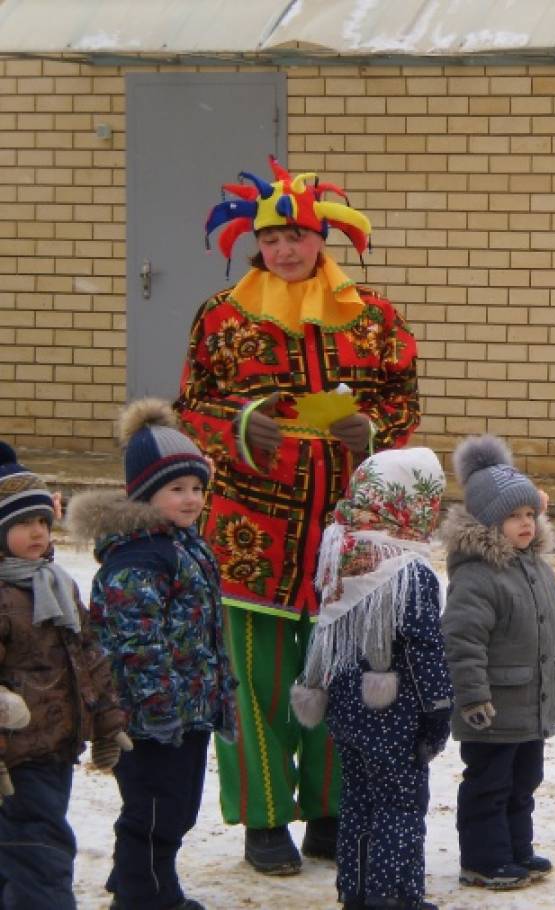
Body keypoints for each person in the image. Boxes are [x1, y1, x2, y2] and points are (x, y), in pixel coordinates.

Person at [177, 156, 421, 874]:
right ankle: (262, 818)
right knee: (255, 681)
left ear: (323, 239)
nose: (285, 250)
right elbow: (192, 407)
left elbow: (402, 400)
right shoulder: (223, 318)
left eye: (298, 236)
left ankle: (327, 808)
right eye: (272, 238)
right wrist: (244, 423)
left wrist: (370, 429)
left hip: (346, 528)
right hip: (253, 527)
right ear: (254, 242)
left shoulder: (372, 316)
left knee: (343, 672)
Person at [67, 400, 237, 910]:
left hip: (188, 709)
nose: (191, 500)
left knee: (176, 806)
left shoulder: (184, 545)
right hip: (150, 716)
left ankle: (133, 879)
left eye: (198, 488)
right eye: (176, 490)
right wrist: (159, 707)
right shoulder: (139, 559)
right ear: (144, 494)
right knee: (156, 810)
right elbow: (134, 646)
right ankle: (147, 897)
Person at [290, 447, 453, 910]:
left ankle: (357, 892)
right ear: (409, 501)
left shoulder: (342, 554)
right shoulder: (409, 571)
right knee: (400, 806)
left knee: (359, 801)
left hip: (346, 712)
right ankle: (393, 895)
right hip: (396, 717)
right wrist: (438, 713)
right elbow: (425, 650)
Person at [438, 434, 555, 891]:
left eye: (529, 514)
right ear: (487, 522)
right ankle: (484, 859)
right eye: (513, 516)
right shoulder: (476, 577)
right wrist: (471, 697)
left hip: (531, 704)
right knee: (489, 784)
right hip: (492, 708)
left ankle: (516, 850)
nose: (526, 524)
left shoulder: (537, 568)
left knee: (525, 780)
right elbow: (461, 642)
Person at [0, 441, 129, 909]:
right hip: (13, 758)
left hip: (54, 743)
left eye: (41, 521)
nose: (37, 532)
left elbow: (88, 655)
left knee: (20, 851)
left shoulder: (54, 582)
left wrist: (108, 719)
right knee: (41, 853)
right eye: (21, 524)